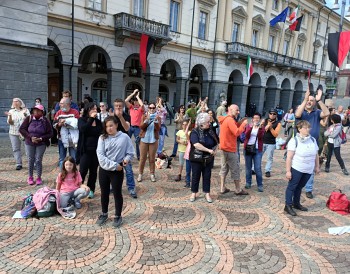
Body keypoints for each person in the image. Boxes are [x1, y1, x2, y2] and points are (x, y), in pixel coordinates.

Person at [96, 116, 134, 227]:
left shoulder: (124, 137)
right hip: (105, 169)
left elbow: (130, 152)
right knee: (104, 192)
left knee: (117, 193)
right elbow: (101, 156)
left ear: (116, 125)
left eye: (111, 125)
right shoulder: (102, 138)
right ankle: (104, 213)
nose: (109, 128)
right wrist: (114, 165)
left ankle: (118, 215)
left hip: (118, 171)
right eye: (107, 126)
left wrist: (126, 160)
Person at [294, 87, 330, 198]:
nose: (309, 102)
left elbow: (327, 112)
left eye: (312, 100)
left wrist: (319, 100)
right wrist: (305, 99)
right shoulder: (301, 110)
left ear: (314, 103)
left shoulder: (317, 112)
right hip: (300, 143)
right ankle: (296, 185)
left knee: (311, 166)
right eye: (308, 100)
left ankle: (309, 189)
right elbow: (297, 115)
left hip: (312, 143)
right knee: (298, 165)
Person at [284, 121, 320, 216]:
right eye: (305, 128)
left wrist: (317, 166)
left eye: (308, 128)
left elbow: (316, 155)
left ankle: (296, 203)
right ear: (299, 129)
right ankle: (288, 205)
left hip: (308, 169)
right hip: (297, 168)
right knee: (292, 186)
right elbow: (289, 157)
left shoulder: (312, 140)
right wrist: (288, 171)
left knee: (300, 187)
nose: (307, 129)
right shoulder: (294, 140)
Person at [218, 104, 248, 195]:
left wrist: (239, 123)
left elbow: (233, 127)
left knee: (224, 168)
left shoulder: (226, 118)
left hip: (224, 148)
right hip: (230, 148)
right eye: (237, 110)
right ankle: (238, 189)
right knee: (235, 169)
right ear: (230, 110)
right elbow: (236, 132)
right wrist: (243, 124)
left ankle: (222, 188)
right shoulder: (230, 120)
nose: (238, 112)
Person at [19, 104, 53, 185]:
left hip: (41, 143)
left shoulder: (45, 120)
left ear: (42, 112)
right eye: (34, 110)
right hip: (29, 142)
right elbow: (22, 129)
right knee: (31, 159)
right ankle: (30, 177)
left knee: (38, 159)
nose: (36, 112)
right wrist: (30, 137)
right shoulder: (29, 118)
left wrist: (41, 138)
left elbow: (51, 133)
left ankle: (38, 177)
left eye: (38, 110)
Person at [189, 113, 219, 203]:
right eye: (207, 122)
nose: (208, 124)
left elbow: (217, 141)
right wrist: (208, 150)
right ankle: (194, 192)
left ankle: (207, 193)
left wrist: (215, 150)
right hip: (197, 157)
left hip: (208, 158)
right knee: (195, 175)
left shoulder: (210, 131)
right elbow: (196, 144)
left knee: (207, 176)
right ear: (201, 123)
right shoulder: (195, 132)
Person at [77, 102, 103, 199]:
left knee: (93, 171)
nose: (95, 111)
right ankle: (79, 188)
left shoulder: (99, 122)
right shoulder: (81, 120)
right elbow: (83, 129)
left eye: (96, 109)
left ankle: (91, 189)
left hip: (96, 151)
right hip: (85, 150)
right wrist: (91, 119)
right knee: (82, 170)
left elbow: (101, 132)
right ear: (88, 110)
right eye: (93, 109)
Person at [113, 98, 137, 198]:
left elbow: (127, 128)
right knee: (113, 168)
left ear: (123, 107)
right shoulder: (111, 116)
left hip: (125, 146)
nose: (118, 107)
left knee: (128, 169)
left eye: (120, 106)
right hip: (114, 145)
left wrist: (121, 117)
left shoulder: (127, 116)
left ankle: (131, 188)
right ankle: (112, 186)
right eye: (116, 106)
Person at [53, 97, 80, 169]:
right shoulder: (58, 112)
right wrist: (59, 124)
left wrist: (68, 122)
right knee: (62, 158)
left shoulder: (75, 112)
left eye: (62, 103)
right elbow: (54, 124)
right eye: (60, 103)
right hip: (61, 138)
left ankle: (73, 174)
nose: (60, 105)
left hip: (73, 139)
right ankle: (63, 175)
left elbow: (78, 124)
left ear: (68, 104)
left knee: (73, 158)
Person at [138, 102, 161, 182]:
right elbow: (141, 127)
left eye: (153, 107)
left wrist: (156, 122)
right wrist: (146, 120)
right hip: (144, 139)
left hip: (153, 140)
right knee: (142, 158)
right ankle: (140, 174)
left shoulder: (158, 117)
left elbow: (158, 129)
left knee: (152, 158)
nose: (151, 109)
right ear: (148, 108)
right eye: (150, 108)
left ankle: (152, 174)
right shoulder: (144, 116)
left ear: (155, 108)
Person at [5, 98, 30, 170]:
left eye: (16, 101)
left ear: (20, 102)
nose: (14, 102)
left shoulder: (25, 110)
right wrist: (9, 116)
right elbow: (10, 123)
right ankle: (19, 164)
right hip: (13, 132)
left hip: (24, 132)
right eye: (13, 101)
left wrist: (25, 114)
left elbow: (28, 121)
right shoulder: (11, 111)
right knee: (16, 148)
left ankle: (31, 163)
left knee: (28, 148)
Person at [243, 113, 265, 192]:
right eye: (255, 118)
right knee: (248, 167)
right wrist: (251, 128)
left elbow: (260, 137)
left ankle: (260, 184)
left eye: (258, 118)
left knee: (257, 168)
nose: (256, 119)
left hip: (257, 149)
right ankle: (248, 182)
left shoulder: (262, 128)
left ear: (260, 119)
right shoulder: (248, 126)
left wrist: (259, 128)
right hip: (248, 148)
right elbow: (246, 135)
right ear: (252, 119)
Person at [125, 89, 144, 160]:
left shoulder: (140, 109)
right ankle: (125, 154)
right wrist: (133, 93)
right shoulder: (131, 108)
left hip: (137, 128)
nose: (136, 102)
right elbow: (126, 100)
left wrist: (138, 97)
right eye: (135, 101)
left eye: (137, 101)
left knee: (138, 142)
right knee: (126, 140)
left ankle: (139, 156)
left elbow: (142, 105)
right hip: (131, 127)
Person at [262, 108, 281, 178]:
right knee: (258, 156)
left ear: (276, 115)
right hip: (262, 141)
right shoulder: (265, 120)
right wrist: (263, 126)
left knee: (269, 157)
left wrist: (270, 128)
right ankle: (254, 168)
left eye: (274, 114)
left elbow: (276, 134)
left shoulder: (278, 123)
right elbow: (261, 130)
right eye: (271, 113)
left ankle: (267, 170)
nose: (272, 115)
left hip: (271, 143)